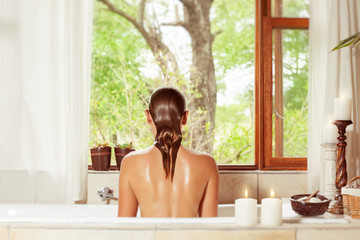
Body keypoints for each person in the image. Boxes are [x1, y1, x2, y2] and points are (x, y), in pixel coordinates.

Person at [117, 86, 219, 217]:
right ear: (185, 117)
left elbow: (125, 226)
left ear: (148, 116)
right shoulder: (207, 163)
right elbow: (209, 228)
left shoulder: (130, 163)